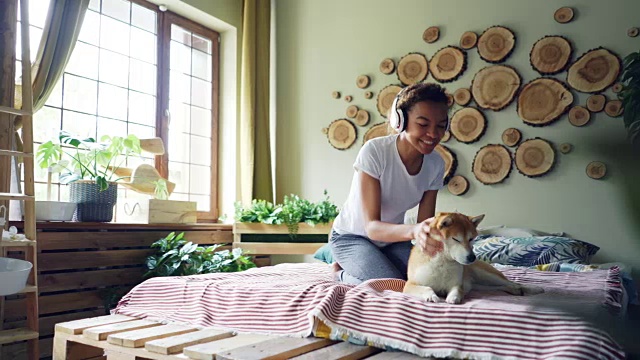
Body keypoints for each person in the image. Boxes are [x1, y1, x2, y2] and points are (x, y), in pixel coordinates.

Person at [330, 82, 450, 284]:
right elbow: (372, 227)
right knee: (394, 285)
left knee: (427, 279)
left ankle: (368, 264)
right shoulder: (375, 151)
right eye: (422, 124)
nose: (433, 134)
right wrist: (414, 230)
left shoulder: (436, 164)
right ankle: (339, 273)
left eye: (440, 126)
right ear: (400, 121)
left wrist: (433, 242)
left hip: (392, 241)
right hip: (352, 237)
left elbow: (425, 222)